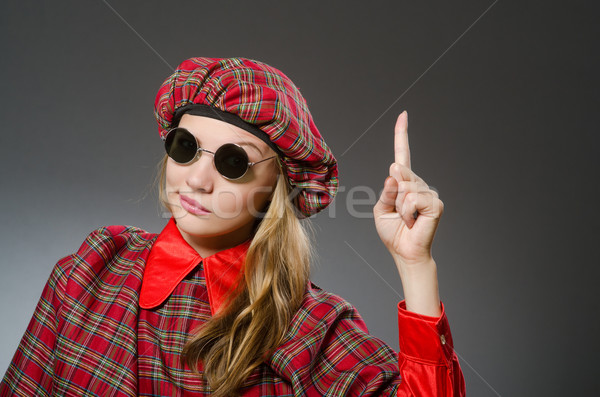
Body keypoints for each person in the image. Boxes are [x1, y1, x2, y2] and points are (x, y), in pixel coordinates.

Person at [0, 57, 465, 396]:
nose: (197, 181)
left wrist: (415, 265)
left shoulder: (310, 325)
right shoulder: (94, 268)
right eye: (185, 147)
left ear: (276, 189)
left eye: (232, 162)